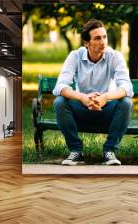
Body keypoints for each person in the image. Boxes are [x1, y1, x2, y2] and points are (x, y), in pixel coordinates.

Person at [52, 19, 133, 166]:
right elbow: (60, 86)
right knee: (59, 102)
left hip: (106, 110)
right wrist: (82, 97)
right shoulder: (75, 56)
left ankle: (109, 151)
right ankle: (76, 151)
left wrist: (105, 97)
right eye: (97, 38)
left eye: (104, 37)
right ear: (87, 44)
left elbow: (127, 87)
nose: (103, 42)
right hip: (82, 110)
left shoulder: (114, 56)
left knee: (126, 103)